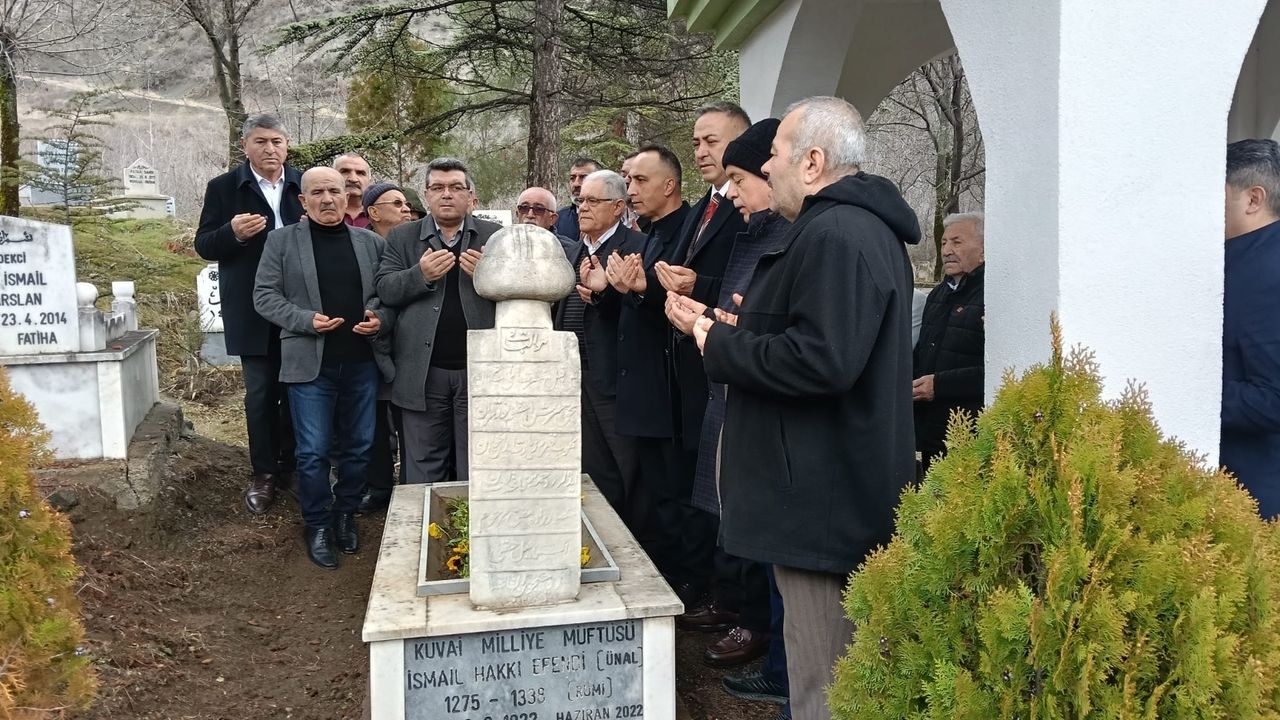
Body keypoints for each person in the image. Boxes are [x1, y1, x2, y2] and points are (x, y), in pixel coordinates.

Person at [670, 96, 920, 720]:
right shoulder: (840, 229)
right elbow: (821, 339)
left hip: (822, 508)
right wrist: (737, 327)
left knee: (822, 686)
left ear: (811, 162)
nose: (765, 167)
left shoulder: (838, 233)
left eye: (775, 154)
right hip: (819, 499)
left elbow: (821, 362)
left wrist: (714, 338)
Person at [666, 118, 790, 676]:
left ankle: (768, 642)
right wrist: (710, 315)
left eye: (740, 178)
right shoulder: (750, 227)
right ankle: (760, 633)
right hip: (730, 386)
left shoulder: (793, 237)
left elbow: (781, 336)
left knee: (765, 538)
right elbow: (745, 312)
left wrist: (712, 323)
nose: (733, 191)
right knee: (730, 516)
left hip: (759, 399)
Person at [252, 167, 394, 569]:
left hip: (361, 362)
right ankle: (316, 523)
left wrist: (379, 318)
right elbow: (264, 296)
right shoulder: (281, 242)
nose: (327, 199)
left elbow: (385, 295)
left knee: (359, 447)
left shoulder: (370, 242)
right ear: (303, 200)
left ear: (347, 197)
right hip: (309, 366)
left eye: (334, 191)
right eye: (317, 192)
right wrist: (304, 320)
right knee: (313, 452)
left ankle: (345, 513)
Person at [659, 101, 751, 630]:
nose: (699, 151)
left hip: (725, 359)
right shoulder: (705, 207)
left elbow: (745, 289)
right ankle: (711, 586)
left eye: (711, 141)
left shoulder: (749, 208)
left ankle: (735, 600)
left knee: (725, 488)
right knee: (700, 486)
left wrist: (701, 287)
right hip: (690, 363)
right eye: (695, 142)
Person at [195, 113, 302, 515]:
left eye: (277, 141)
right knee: (260, 394)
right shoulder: (224, 188)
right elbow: (204, 244)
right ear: (244, 146)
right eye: (261, 141)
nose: (270, 149)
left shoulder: (302, 184)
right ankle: (264, 472)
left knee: (299, 389)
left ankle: (295, 467)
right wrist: (233, 233)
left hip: (300, 306)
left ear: (286, 145)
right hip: (251, 307)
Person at [375, 158, 500, 484]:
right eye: (438, 187)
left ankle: (474, 517)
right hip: (422, 372)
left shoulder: (494, 236)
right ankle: (426, 517)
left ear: (470, 196)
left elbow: (516, 292)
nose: (447, 194)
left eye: (456, 187)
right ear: (427, 195)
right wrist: (420, 275)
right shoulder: (403, 237)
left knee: (478, 460)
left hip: (479, 371)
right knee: (423, 463)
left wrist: (489, 276)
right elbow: (385, 289)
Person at [606, 144, 689, 575]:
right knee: (655, 488)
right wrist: (611, 291)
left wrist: (641, 290)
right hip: (644, 384)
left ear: (669, 184)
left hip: (670, 385)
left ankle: (684, 577)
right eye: (628, 180)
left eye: (640, 180)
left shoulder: (686, 230)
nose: (631, 189)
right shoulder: (651, 233)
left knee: (675, 490)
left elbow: (676, 300)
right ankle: (667, 569)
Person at [556, 170, 645, 519]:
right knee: (592, 466)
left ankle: (635, 538)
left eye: (593, 201)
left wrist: (604, 293)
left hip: (616, 377)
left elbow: (639, 311)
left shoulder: (636, 247)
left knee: (627, 466)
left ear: (618, 207)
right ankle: (603, 528)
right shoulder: (574, 250)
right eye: (580, 200)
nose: (583, 208)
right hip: (575, 375)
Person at [1223, 138, 1280, 520]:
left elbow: (1274, 398)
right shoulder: (1250, 258)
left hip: (1258, 501)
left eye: (1219, 194)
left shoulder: (1266, 273)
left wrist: (1188, 391)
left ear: (1253, 199)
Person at [913, 212, 985, 472]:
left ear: (983, 249)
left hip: (970, 433)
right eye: (944, 242)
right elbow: (923, 353)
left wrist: (941, 385)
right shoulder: (937, 295)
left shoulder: (992, 295)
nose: (946, 251)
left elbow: (997, 369)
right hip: (933, 431)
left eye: (957, 242)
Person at [356, 182, 412, 515]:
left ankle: (411, 484)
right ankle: (379, 485)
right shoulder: (361, 245)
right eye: (397, 204)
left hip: (412, 346)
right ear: (374, 213)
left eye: (407, 204)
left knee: (411, 422)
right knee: (375, 420)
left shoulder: (416, 243)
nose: (406, 209)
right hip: (371, 344)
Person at [553, 157, 601, 241]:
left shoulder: (610, 218)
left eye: (583, 178)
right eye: (572, 178)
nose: (576, 184)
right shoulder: (558, 219)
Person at [334, 153, 372, 228]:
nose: (353, 179)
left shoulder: (382, 215)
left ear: (369, 181)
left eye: (360, 173)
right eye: (345, 171)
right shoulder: (317, 214)